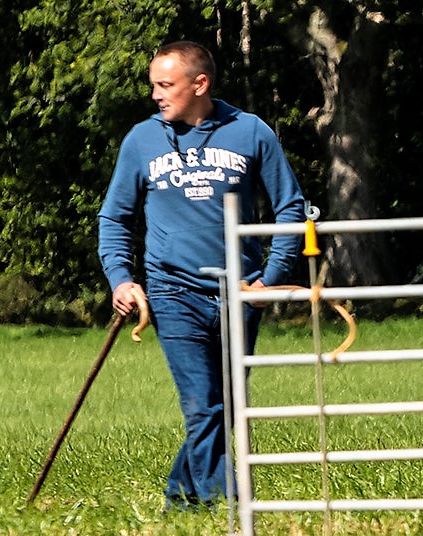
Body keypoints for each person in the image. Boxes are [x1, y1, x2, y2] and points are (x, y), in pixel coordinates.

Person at [97, 41, 306, 511]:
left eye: (164, 85)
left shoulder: (251, 132)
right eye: (153, 84)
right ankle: (229, 505)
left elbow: (290, 207)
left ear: (200, 84)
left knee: (225, 407)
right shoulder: (141, 141)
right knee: (203, 405)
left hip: (242, 292)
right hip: (173, 292)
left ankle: (180, 498)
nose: (155, 95)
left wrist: (269, 280)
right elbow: (114, 218)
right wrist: (121, 278)